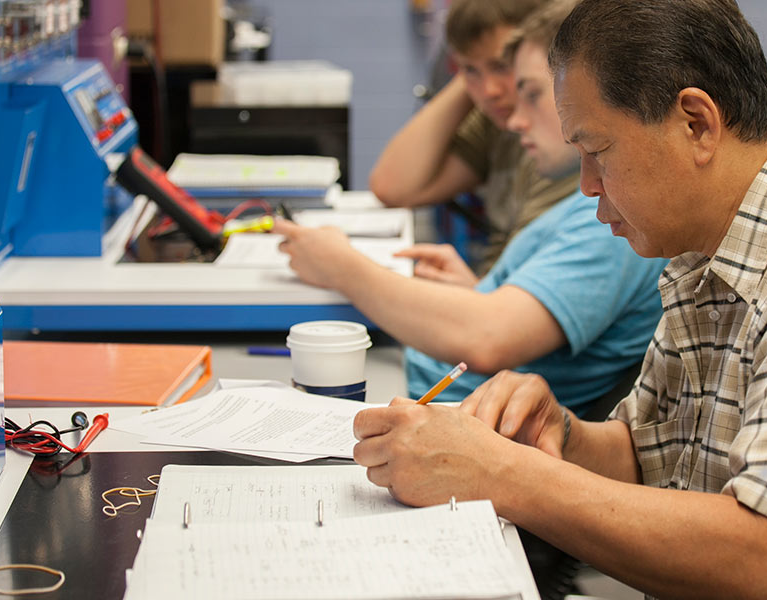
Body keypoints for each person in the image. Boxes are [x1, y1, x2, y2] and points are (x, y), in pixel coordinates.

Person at [351, 0, 767, 596]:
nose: (588, 187)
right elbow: (658, 458)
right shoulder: (707, 247)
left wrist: (504, 475)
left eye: (597, 152)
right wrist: (560, 435)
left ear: (696, 123)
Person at [273, 0, 662, 413]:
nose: (512, 119)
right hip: (438, 386)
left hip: (457, 408)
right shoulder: (584, 204)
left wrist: (340, 265)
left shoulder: (611, 222)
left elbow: (488, 337)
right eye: (471, 71)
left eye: (529, 92)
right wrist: (480, 293)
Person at [370, 0, 579, 272]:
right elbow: (393, 186)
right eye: (470, 70)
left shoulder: (562, 145)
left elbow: (520, 288)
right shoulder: (497, 120)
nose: (489, 90)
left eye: (502, 65)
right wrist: (468, 80)